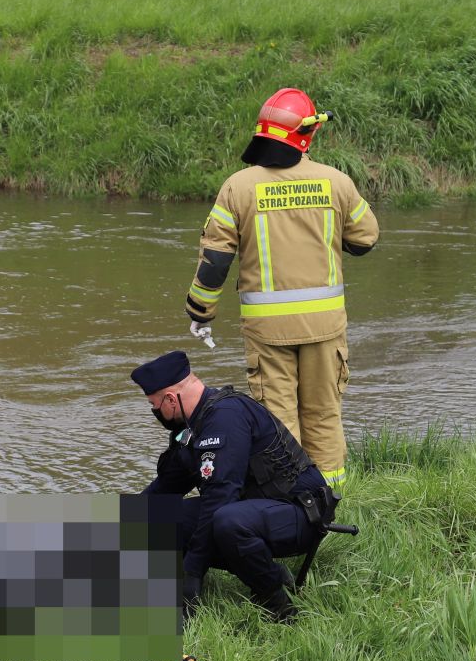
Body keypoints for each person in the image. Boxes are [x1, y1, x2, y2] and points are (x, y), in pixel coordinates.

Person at [184, 88, 379, 490]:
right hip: (325, 327)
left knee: (278, 422)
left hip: (268, 333)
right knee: (324, 414)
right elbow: (366, 239)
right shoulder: (336, 182)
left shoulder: (238, 187)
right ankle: (333, 502)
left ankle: (292, 509)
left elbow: (216, 261)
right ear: (305, 136)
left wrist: (199, 312)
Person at [132, 350, 336, 623]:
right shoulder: (192, 425)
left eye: (154, 405)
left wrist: (192, 572)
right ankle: (271, 572)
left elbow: (220, 499)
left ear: (170, 399)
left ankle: (278, 605)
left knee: (226, 520)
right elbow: (165, 488)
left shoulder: (225, 417)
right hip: (254, 510)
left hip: (300, 512)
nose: (155, 412)